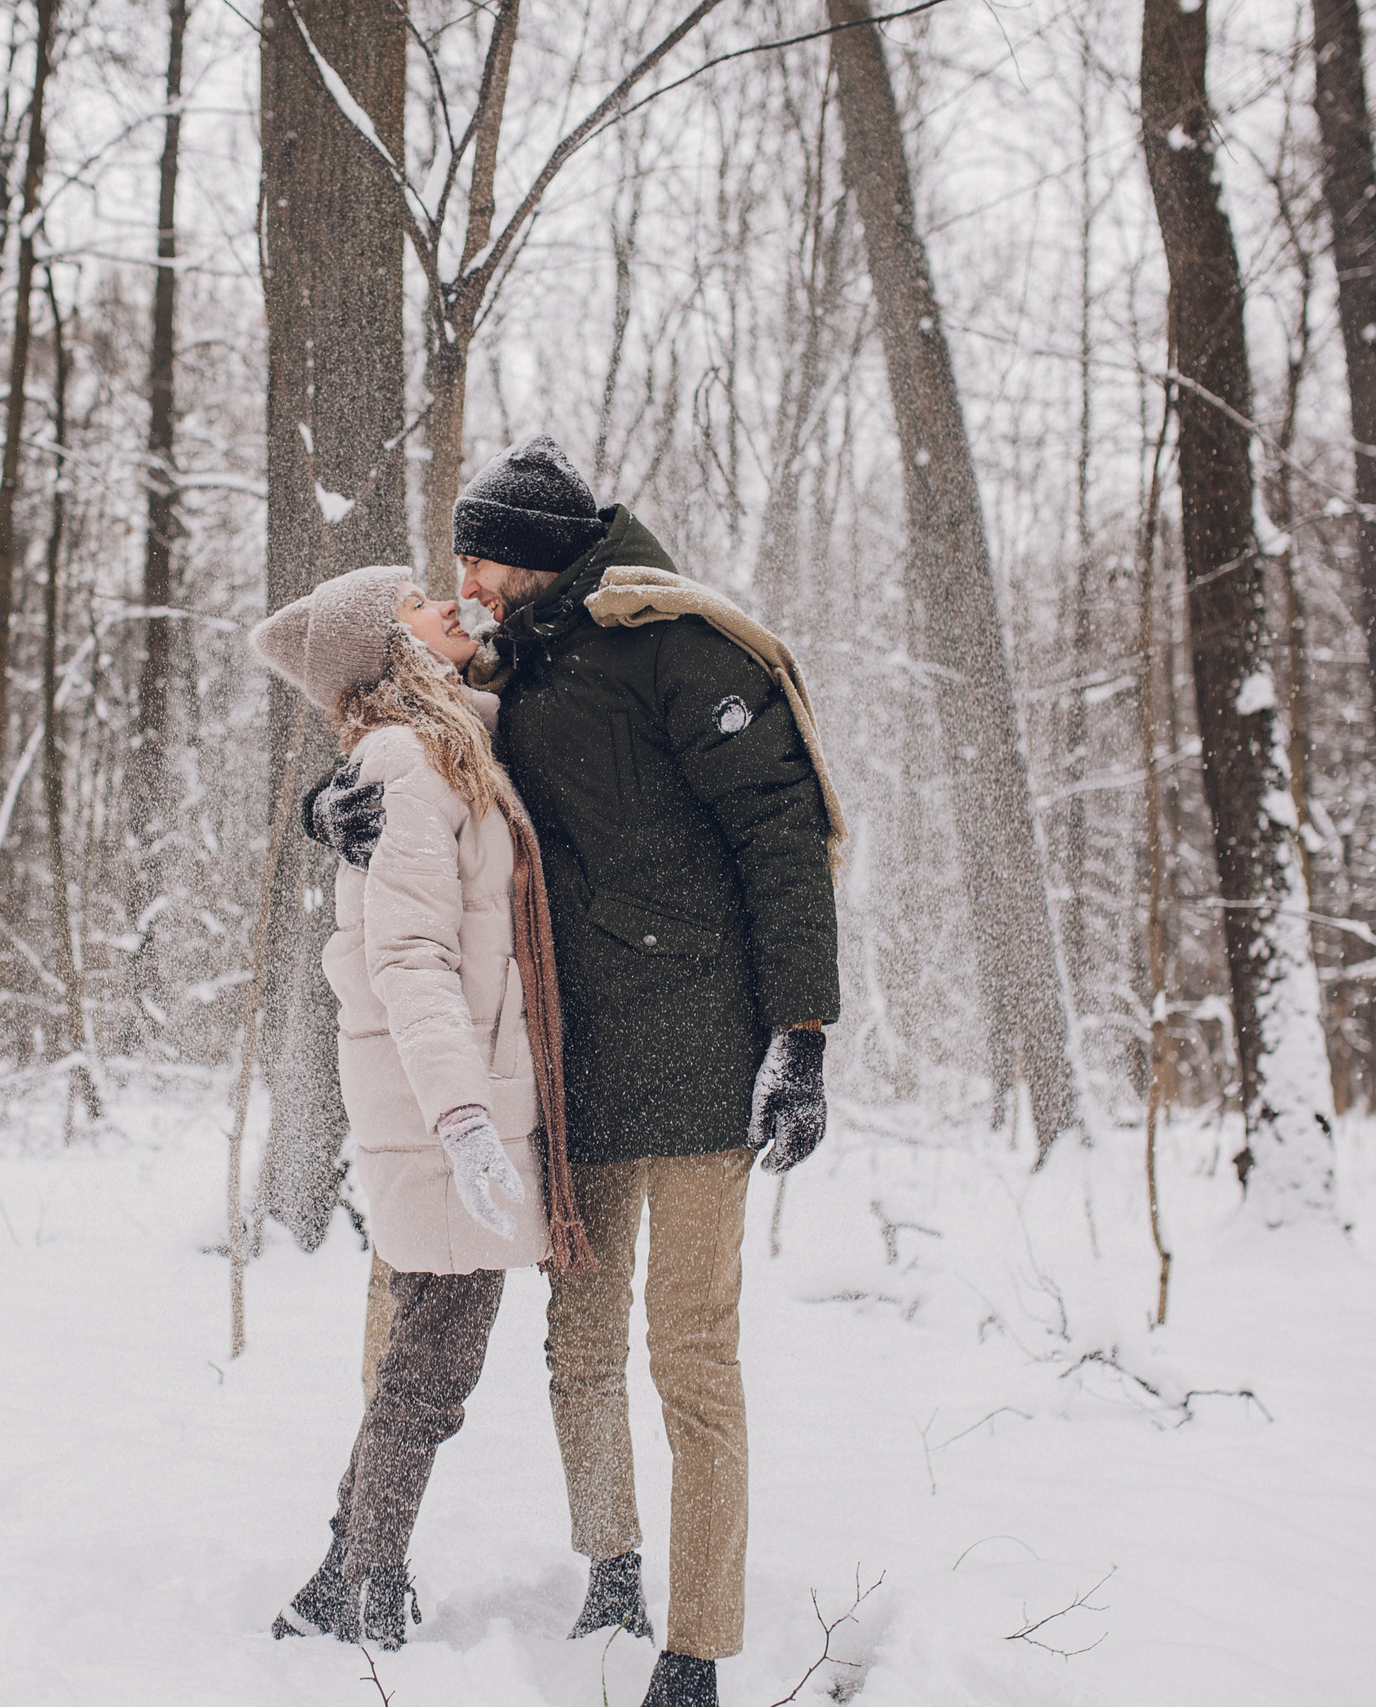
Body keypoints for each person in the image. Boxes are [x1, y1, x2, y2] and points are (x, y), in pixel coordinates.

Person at [461, 435, 843, 1707]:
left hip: (698, 1054)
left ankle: (698, 1644)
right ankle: (611, 1566)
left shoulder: (679, 644)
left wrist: (801, 1034)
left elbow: (781, 832)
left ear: (535, 555)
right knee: (578, 1345)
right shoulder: (506, 662)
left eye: (479, 555)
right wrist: (331, 809)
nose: (464, 578)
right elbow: (389, 735)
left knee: (690, 1355)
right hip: (574, 1060)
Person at [250, 564, 594, 1650]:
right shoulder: (406, 759)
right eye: (413, 606)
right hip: (444, 1099)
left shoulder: (443, 746)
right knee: (432, 1369)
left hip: (453, 1089)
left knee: (423, 1353)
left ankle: (340, 1575)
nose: (445, 605)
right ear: (389, 650)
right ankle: (367, 1586)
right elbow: (408, 955)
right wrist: (462, 1119)